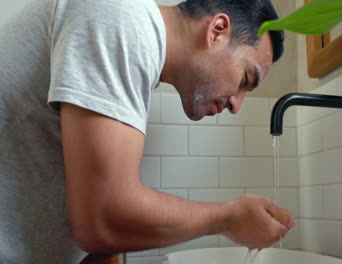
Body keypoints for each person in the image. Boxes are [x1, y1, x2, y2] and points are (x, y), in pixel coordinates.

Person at [0, 0, 295, 262]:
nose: (236, 104)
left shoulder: (130, 37)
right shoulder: (119, 15)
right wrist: (228, 219)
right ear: (217, 30)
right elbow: (103, 218)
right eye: (245, 79)